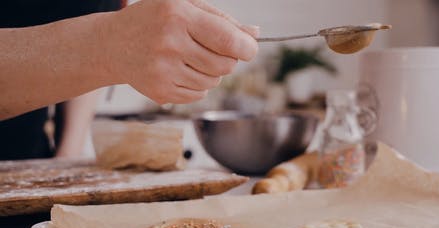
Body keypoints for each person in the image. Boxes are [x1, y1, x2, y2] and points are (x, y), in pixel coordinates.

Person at [0, 0, 259, 159]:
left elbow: (84, 66)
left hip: (33, 167)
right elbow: (95, 49)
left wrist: (67, 155)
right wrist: (107, 45)